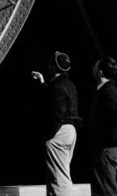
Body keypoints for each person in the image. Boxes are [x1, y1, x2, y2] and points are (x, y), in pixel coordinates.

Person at [30, 51, 80, 196]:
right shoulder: (68, 84)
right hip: (70, 130)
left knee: (59, 179)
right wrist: (42, 82)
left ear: (52, 66)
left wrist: (49, 136)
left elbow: (57, 113)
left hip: (59, 132)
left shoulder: (57, 87)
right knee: (61, 174)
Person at [88, 57, 117, 196]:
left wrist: (103, 138)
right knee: (100, 190)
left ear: (100, 72)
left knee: (107, 190)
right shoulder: (105, 90)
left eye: (95, 67)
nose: (92, 69)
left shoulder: (109, 92)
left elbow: (115, 118)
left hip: (105, 149)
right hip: (104, 148)